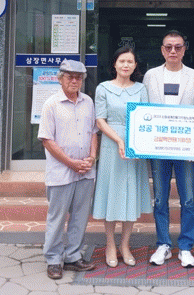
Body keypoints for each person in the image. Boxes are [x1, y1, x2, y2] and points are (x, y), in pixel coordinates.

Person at [143, 30, 194, 268]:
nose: (173, 51)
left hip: (186, 149)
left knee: (188, 199)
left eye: (178, 47)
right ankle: (163, 244)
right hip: (159, 147)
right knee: (160, 198)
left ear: (184, 49)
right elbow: (144, 109)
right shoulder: (150, 76)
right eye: (168, 47)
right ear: (162, 50)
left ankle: (186, 247)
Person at [37, 59, 98, 280]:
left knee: (80, 217)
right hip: (61, 172)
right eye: (70, 77)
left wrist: (92, 157)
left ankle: (73, 256)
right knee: (57, 217)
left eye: (78, 77)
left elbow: (93, 132)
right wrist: (71, 163)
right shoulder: (51, 104)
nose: (74, 81)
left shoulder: (88, 102)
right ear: (60, 79)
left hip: (85, 171)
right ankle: (53, 259)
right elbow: (47, 140)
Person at [92, 46, 152, 267]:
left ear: (135, 66)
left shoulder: (141, 89)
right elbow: (100, 120)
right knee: (111, 194)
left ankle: (125, 244)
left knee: (130, 195)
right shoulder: (103, 88)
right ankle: (110, 244)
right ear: (115, 64)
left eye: (130, 61)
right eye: (122, 61)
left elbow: (146, 117)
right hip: (112, 145)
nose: (126, 65)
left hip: (135, 146)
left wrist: (137, 143)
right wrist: (119, 140)